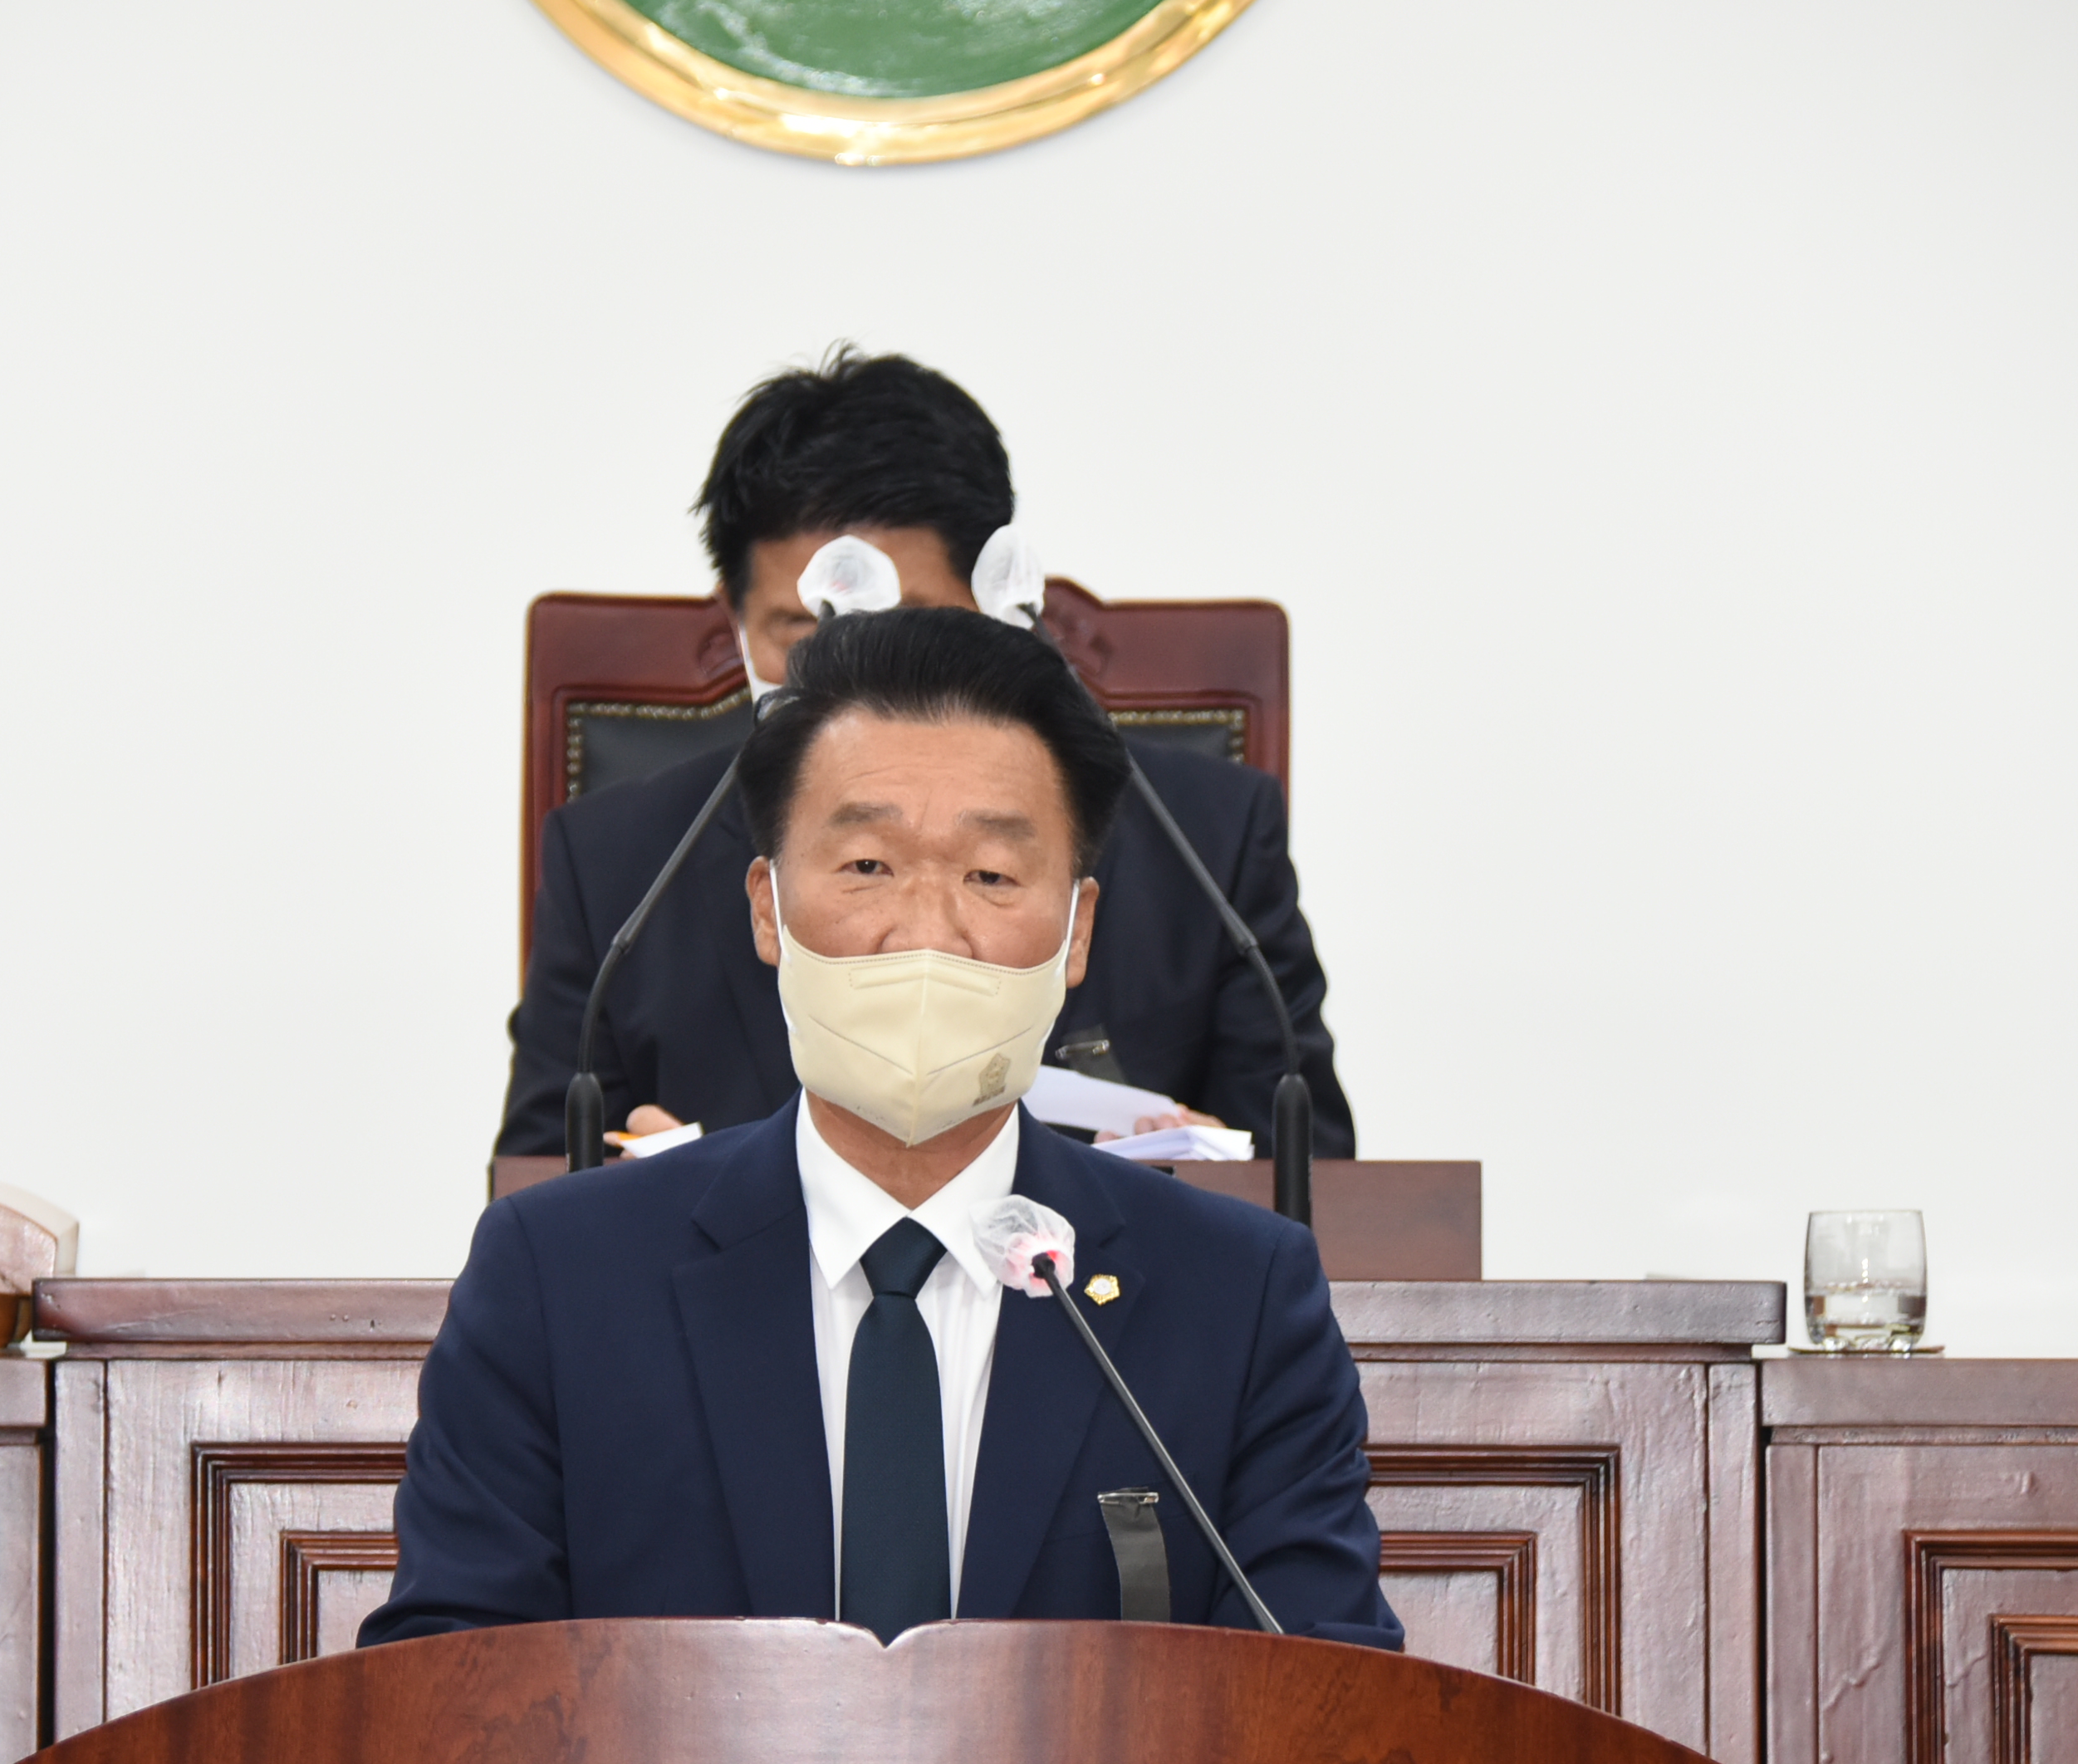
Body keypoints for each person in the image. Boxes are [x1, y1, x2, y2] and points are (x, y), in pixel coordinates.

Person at [368, 608, 1400, 1649]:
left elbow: (1328, 1699)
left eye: (991, 876)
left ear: (1077, 930)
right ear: (767, 908)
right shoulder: (560, 1277)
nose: (928, 933)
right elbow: (444, 1689)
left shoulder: (1236, 1297)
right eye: (868, 866)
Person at [494, 347, 1355, 1159]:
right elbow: (535, 1186)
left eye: (909, 624)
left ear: (996, 600)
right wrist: (631, 1198)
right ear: (737, 619)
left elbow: (1316, 1184)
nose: (860, 672)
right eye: (809, 631)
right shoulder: (617, 865)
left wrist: (1209, 1185)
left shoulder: (1207, 839)